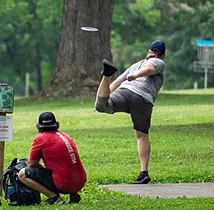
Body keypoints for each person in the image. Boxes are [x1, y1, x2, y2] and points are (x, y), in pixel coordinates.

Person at [94, 40, 167, 184]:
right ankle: (144, 172)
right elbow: (150, 69)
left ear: (149, 51)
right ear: (162, 54)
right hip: (142, 100)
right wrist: (137, 76)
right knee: (141, 135)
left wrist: (100, 101)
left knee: (102, 106)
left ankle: (106, 75)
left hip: (125, 92)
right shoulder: (159, 62)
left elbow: (116, 83)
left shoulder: (136, 65)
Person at [18, 112, 86, 205]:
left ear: (39, 126)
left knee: (22, 174)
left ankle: (54, 197)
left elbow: (32, 164)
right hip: (80, 181)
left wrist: (39, 166)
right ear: (56, 124)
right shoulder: (65, 135)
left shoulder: (40, 138)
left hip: (64, 184)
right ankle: (73, 194)